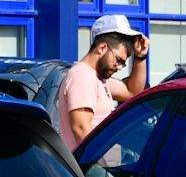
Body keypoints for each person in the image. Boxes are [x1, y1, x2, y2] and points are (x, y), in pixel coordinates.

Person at [56, 15, 146, 150]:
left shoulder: (99, 79)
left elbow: (132, 92)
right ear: (102, 48)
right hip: (89, 169)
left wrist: (140, 57)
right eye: (119, 60)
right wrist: (98, 168)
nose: (119, 67)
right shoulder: (82, 76)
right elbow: (81, 129)